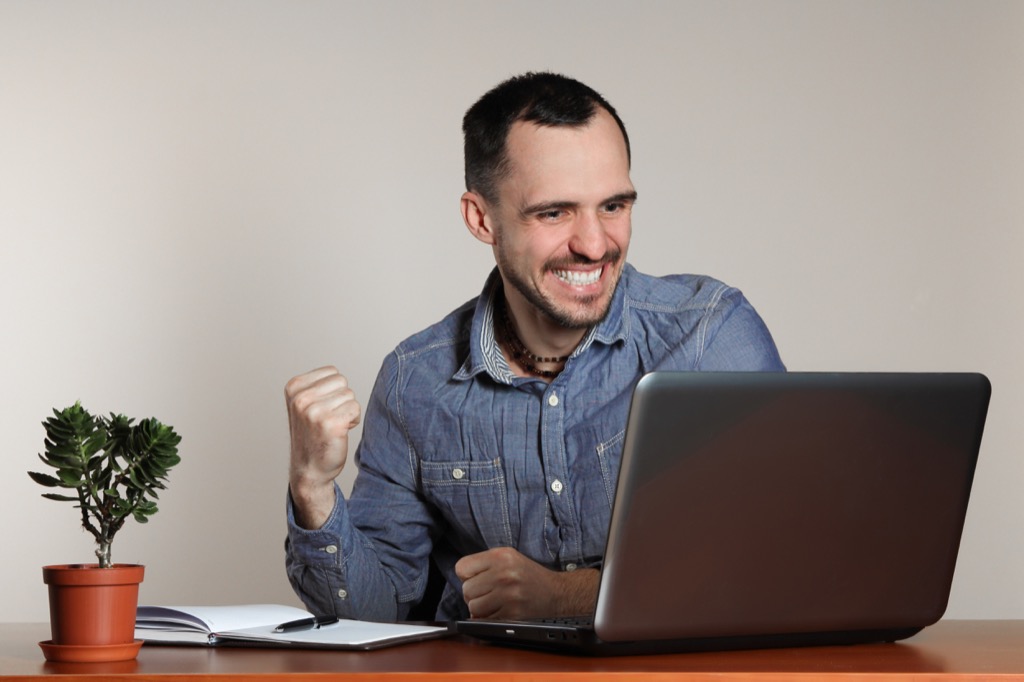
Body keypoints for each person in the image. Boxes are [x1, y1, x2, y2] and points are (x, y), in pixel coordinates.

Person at [284, 72, 785, 623]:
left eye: (613, 206)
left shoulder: (709, 336)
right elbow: (374, 616)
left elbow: (782, 559)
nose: (594, 244)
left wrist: (565, 596)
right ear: (482, 219)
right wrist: (313, 488)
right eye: (554, 212)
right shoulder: (414, 381)